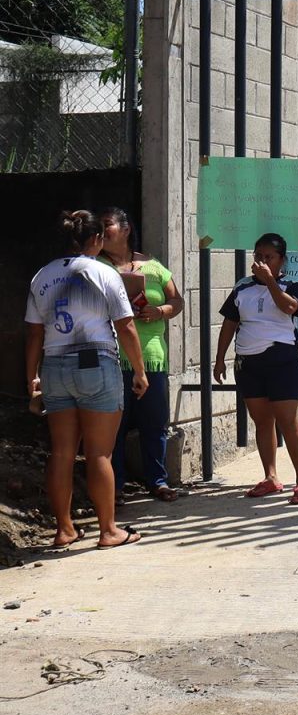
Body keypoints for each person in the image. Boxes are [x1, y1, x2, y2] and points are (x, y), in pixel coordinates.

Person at [23, 210, 148, 549]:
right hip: (96, 365)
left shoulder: (41, 277)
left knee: (62, 452)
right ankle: (108, 530)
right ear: (96, 240)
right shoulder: (104, 273)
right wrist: (138, 370)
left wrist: (32, 377)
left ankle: (64, 530)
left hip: (55, 368)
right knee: (99, 454)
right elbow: (126, 326)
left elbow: (34, 334)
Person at [213, 232, 298, 505]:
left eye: (268, 257)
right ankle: (271, 476)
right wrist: (220, 357)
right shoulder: (242, 287)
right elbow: (230, 323)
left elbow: (290, 308)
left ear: (282, 260)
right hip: (249, 362)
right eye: (258, 256)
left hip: (283, 361)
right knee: (262, 421)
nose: (262, 261)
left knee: (288, 419)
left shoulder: (292, 284)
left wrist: (270, 281)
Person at [100, 206, 183, 503]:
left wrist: (159, 310)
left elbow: (177, 300)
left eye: (107, 224)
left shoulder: (153, 265)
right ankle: (116, 487)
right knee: (114, 427)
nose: (102, 230)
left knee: (154, 423)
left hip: (152, 357)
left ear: (126, 230)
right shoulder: (97, 265)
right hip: (111, 357)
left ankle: (158, 481)